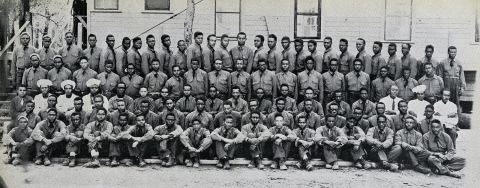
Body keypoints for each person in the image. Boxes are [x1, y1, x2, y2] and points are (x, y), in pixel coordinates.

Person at [437, 46, 465, 113]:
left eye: (454, 52)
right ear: (448, 52)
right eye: (451, 52)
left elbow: (462, 76)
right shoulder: (443, 63)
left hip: (456, 84)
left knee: (456, 101)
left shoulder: (459, 63)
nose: (453, 54)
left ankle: (456, 117)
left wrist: (462, 87)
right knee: (446, 99)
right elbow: (440, 76)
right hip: (447, 83)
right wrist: (441, 87)